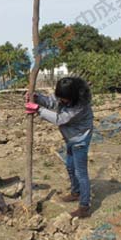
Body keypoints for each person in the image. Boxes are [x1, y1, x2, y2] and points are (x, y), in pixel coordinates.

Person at [25, 77, 94, 218]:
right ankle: (76, 192)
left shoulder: (80, 105)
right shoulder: (66, 96)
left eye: (64, 99)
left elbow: (60, 119)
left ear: (73, 96)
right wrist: (37, 98)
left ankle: (84, 207)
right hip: (70, 137)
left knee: (81, 173)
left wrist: (38, 110)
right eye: (60, 97)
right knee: (69, 166)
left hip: (79, 139)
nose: (61, 101)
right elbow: (51, 101)